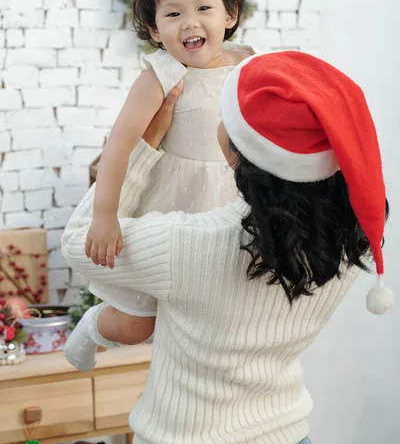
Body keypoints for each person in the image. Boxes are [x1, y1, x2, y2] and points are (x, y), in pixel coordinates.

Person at [62, 50, 393, 444]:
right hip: (287, 433)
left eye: (225, 113)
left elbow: (78, 238)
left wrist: (144, 145)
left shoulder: (189, 246)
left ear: (239, 154)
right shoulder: (347, 244)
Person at [71, 0, 254, 354]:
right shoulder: (161, 75)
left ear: (231, 13)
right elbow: (119, 145)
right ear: (154, 29)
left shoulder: (248, 68)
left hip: (229, 206)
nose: (190, 23)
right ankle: (95, 325)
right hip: (169, 206)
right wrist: (104, 215)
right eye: (174, 13)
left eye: (203, 8)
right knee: (139, 324)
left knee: (218, 317)